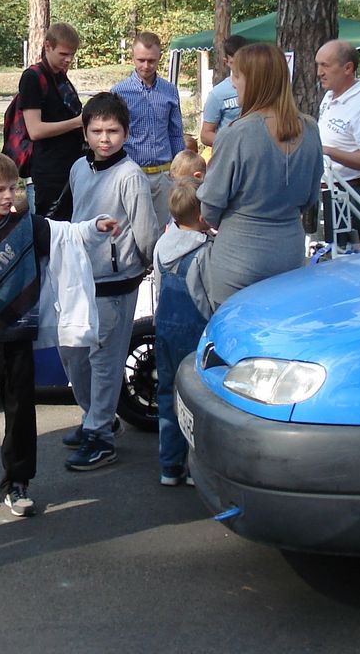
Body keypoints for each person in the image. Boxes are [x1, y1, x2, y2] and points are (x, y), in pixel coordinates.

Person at [0, 151, 113, 518]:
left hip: (19, 337)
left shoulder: (29, 228)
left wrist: (95, 226)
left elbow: (69, 234)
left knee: (20, 414)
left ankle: (17, 484)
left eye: (13, 187)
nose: (9, 196)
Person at [60, 92, 160, 472]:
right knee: (73, 354)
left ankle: (100, 436)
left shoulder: (130, 175)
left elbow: (145, 228)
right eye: (97, 131)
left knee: (104, 360)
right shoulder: (78, 168)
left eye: (113, 131)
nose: (105, 139)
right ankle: (96, 417)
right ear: (85, 133)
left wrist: (144, 262)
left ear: (126, 133)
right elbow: (76, 216)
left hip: (117, 282)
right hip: (80, 278)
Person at [199, 43, 323, 307]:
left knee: (232, 330)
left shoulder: (236, 134)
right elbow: (311, 198)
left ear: (254, 81)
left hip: (237, 260)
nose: (233, 84)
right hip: (289, 255)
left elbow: (210, 206)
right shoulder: (311, 129)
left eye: (236, 76)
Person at [153, 180, 213, 488]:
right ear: (203, 216)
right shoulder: (205, 251)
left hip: (164, 328)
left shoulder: (163, 244)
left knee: (167, 393)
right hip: (194, 330)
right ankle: (192, 466)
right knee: (196, 397)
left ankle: (169, 465)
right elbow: (207, 296)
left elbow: (158, 284)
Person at [112, 31, 185, 230]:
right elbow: (114, 134)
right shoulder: (119, 92)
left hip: (164, 174)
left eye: (151, 61)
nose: (146, 66)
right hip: (132, 173)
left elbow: (175, 132)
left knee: (163, 230)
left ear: (160, 57)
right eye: (141, 60)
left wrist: (181, 169)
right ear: (132, 57)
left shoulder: (170, 90)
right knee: (132, 229)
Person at [315, 38, 360, 248]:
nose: (319, 72)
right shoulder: (329, 97)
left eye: (325, 65)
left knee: (344, 255)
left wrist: (326, 151)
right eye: (318, 65)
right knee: (320, 254)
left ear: (348, 68)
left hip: (350, 193)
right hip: (324, 191)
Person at [19, 22, 85, 219]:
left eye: (72, 54)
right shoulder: (32, 77)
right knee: (49, 232)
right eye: (63, 54)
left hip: (71, 167)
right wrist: (78, 122)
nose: (68, 59)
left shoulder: (60, 76)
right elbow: (35, 130)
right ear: (48, 46)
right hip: (48, 173)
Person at [200, 35, 251, 148]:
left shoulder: (260, 87)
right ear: (226, 61)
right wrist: (232, 143)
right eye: (236, 62)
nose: (242, 66)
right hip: (230, 154)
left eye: (245, 61)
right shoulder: (218, 93)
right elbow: (205, 135)